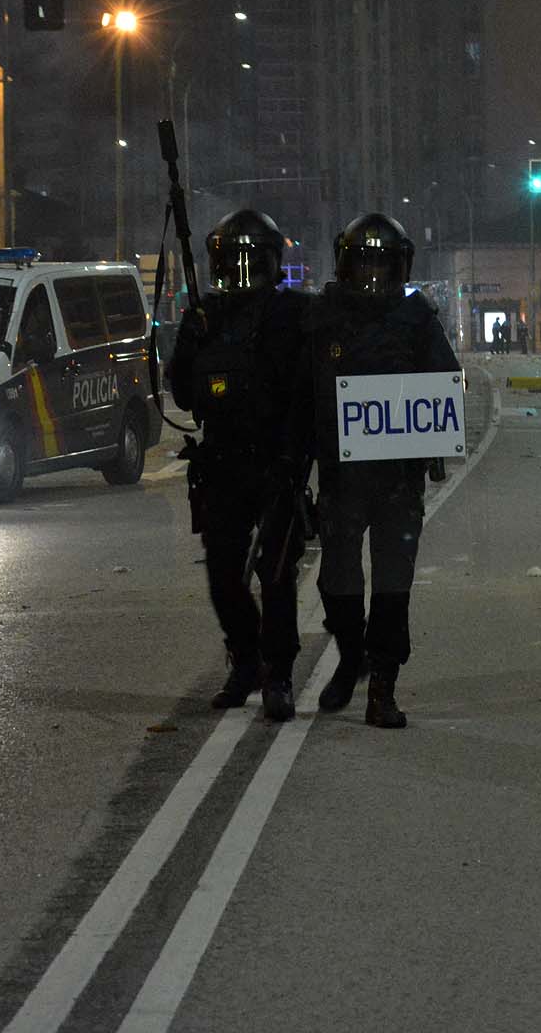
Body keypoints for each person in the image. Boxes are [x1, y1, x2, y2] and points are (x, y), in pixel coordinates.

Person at [298, 213, 461, 728]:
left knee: (393, 584)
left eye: (381, 264)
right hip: (342, 480)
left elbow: (445, 383)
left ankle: (383, 687)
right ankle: (351, 658)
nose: (372, 275)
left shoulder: (417, 321)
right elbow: (298, 395)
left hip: (397, 480)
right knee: (338, 579)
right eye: (363, 263)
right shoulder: (322, 319)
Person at [167, 209, 308, 721]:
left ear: (273, 263)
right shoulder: (205, 316)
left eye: (254, 261)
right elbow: (183, 393)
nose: (243, 273)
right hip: (223, 461)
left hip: (277, 461)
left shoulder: (293, 315)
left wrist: (298, 458)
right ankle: (245, 660)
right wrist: (192, 344)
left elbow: (312, 388)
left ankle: (279, 673)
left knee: (275, 575)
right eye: (234, 262)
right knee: (224, 577)